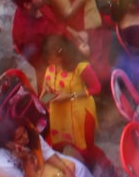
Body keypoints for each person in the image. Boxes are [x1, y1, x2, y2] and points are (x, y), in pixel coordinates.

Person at [39, 35, 106, 168]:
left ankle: (92, 169)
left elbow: (96, 88)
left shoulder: (80, 67)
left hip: (79, 114)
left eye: (52, 58)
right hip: (59, 115)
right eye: (48, 59)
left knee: (85, 148)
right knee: (59, 143)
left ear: (63, 55)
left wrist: (70, 96)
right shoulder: (51, 66)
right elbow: (48, 78)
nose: (50, 62)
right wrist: (45, 87)